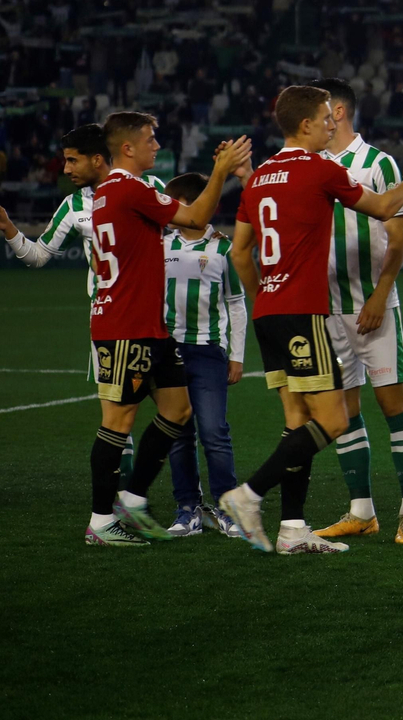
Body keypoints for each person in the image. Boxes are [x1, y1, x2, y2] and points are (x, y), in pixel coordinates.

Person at [219, 85, 403, 555]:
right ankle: (247, 496)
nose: (330, 125)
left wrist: (262, 299)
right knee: (333, 421)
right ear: (308, 124)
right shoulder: (320, 168)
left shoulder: (259, 178)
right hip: (305, 312)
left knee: (298, 422)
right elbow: (380, 206)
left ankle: (292, 530)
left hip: (268, 313)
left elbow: (239, 252)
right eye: (323, 118)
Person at [84, 112, 250, 546]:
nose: (157, 146)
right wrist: (219, 171)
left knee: (177, 411)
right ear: (127, 148)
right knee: (117, 422)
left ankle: (133, 501)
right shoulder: (130, 188)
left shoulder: (111, 191)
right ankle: (102, 522)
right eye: (150, 139)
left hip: (150, 328)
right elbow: (195, 218)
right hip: (125, 325)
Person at [0, 124, 168, 484]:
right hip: (112, 320)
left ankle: (185, 504)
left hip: (159, 320)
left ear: (98, 158)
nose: (65, 170)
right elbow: (38, 255)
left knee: (178, 414)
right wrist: (9, 228)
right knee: (120, 419)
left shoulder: (151, 189)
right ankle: (119, 503)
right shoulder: (74, 205)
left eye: (71, 160)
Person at [305, 79, 403, 546]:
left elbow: (397, 238)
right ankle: (362, 511)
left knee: (393, 405)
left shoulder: (377, 163)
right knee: (345, 410)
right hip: (328, 309)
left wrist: (381, 292)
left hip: (372, 307)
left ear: (335, 111)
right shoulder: (311, 163)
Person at [160, 172, 248, 539]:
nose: (165, 209)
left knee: (214, 432)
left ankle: (227, 508)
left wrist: (237, 356)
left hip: (208, 352)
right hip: (168, 351)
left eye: (170, 202)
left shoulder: (225, 250)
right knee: (178, 434)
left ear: (187, 204)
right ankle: (188, 510)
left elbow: (237, 303)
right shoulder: (160, 245)